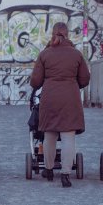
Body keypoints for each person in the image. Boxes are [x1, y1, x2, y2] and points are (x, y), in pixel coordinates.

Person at [29, 22, 91, 187]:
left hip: (49, 97)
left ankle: (48, 170)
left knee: (50, 133)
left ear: (53, 34)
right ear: (67, 34)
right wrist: (72, 82)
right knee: (68, 135)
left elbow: (35, 81)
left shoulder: (44, 54)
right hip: (70, 97)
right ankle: (65, 174)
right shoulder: (76, 55)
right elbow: (85, 79)